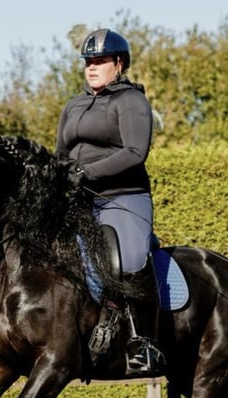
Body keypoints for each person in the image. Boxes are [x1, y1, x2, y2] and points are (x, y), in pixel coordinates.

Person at [55, 28, 165, 375]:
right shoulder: (73, 105)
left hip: (122, 198)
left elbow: (135, 153)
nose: (92, 67)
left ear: (119, 64)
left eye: (100, 61)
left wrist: (86, 172)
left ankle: (140, 342)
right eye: (88, 61)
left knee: (128, 260)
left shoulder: (131, 101)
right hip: (79, 201)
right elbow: (61, 154)